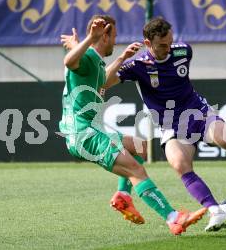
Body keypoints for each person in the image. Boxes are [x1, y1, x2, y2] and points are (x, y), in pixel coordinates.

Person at [62, 17, 226, 232]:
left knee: (225, 140)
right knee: (177, 165)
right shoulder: (136, 65)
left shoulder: (183, 51)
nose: (168, 49)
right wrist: (120, 58)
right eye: (162, 45)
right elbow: (103, 82)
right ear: (148, 44)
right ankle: (213, 211)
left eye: (170, 42)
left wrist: (82, 46)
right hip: (169, 127)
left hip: (199, 113)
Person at [59, 15, 206, 236]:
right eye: (114, 36)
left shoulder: (94, 58)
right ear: (104, 35)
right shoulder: (88, 56)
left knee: (139, 146)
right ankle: (173, 218)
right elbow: (70, 62)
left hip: (91, 129)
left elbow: (97, 79)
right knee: (136, 170)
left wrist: (120, 58)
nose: (116, 40)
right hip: (85, 134)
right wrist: (89, 38)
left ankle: (124, 197)